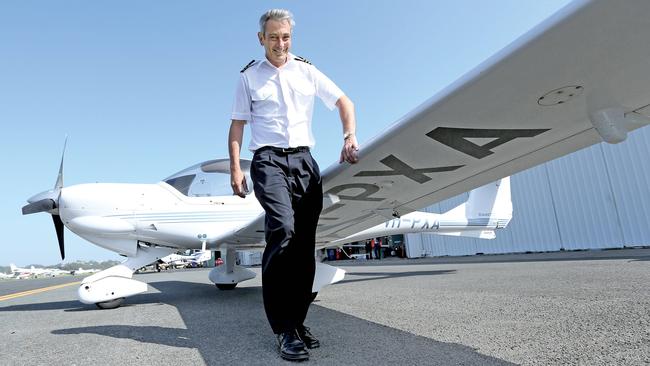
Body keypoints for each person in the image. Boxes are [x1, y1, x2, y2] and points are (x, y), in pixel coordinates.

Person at [228, 9, 359, 362]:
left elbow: (344, 102)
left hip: (305, 162)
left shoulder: (307, 70)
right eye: (273, 37)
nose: (280, 43)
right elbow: (238, 126)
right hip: (268, 161)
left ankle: (298, 322)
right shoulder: (249, 78)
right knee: (282, 230)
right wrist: (235, 169)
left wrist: (349, 136)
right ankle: (283, 328)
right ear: (261, 39)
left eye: (285, 37)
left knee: (304, 247)